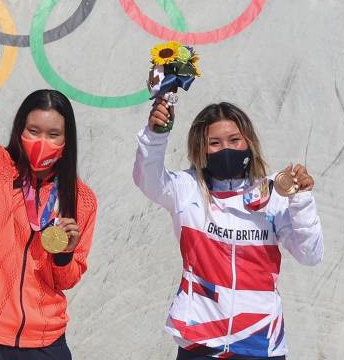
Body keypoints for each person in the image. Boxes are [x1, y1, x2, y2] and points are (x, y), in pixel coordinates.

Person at [133, 97, 323, 359]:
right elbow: (147, 178)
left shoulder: (272, 192)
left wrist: (300, 199)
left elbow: (310, 254)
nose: (226, 149)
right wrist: (156, 135)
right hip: (200, 339)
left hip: (260, 341)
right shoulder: (186, 189)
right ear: (201, 148)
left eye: (235, 140)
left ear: (249, 143)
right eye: (215, 143)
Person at [0, 60, 97, 360]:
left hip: (43, 337)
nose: (42, 142)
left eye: (53, 134)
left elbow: (67, 280)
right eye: (33, 131)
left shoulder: (82, 199)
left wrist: (64, 255)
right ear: (19, 131)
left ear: (67, 141)